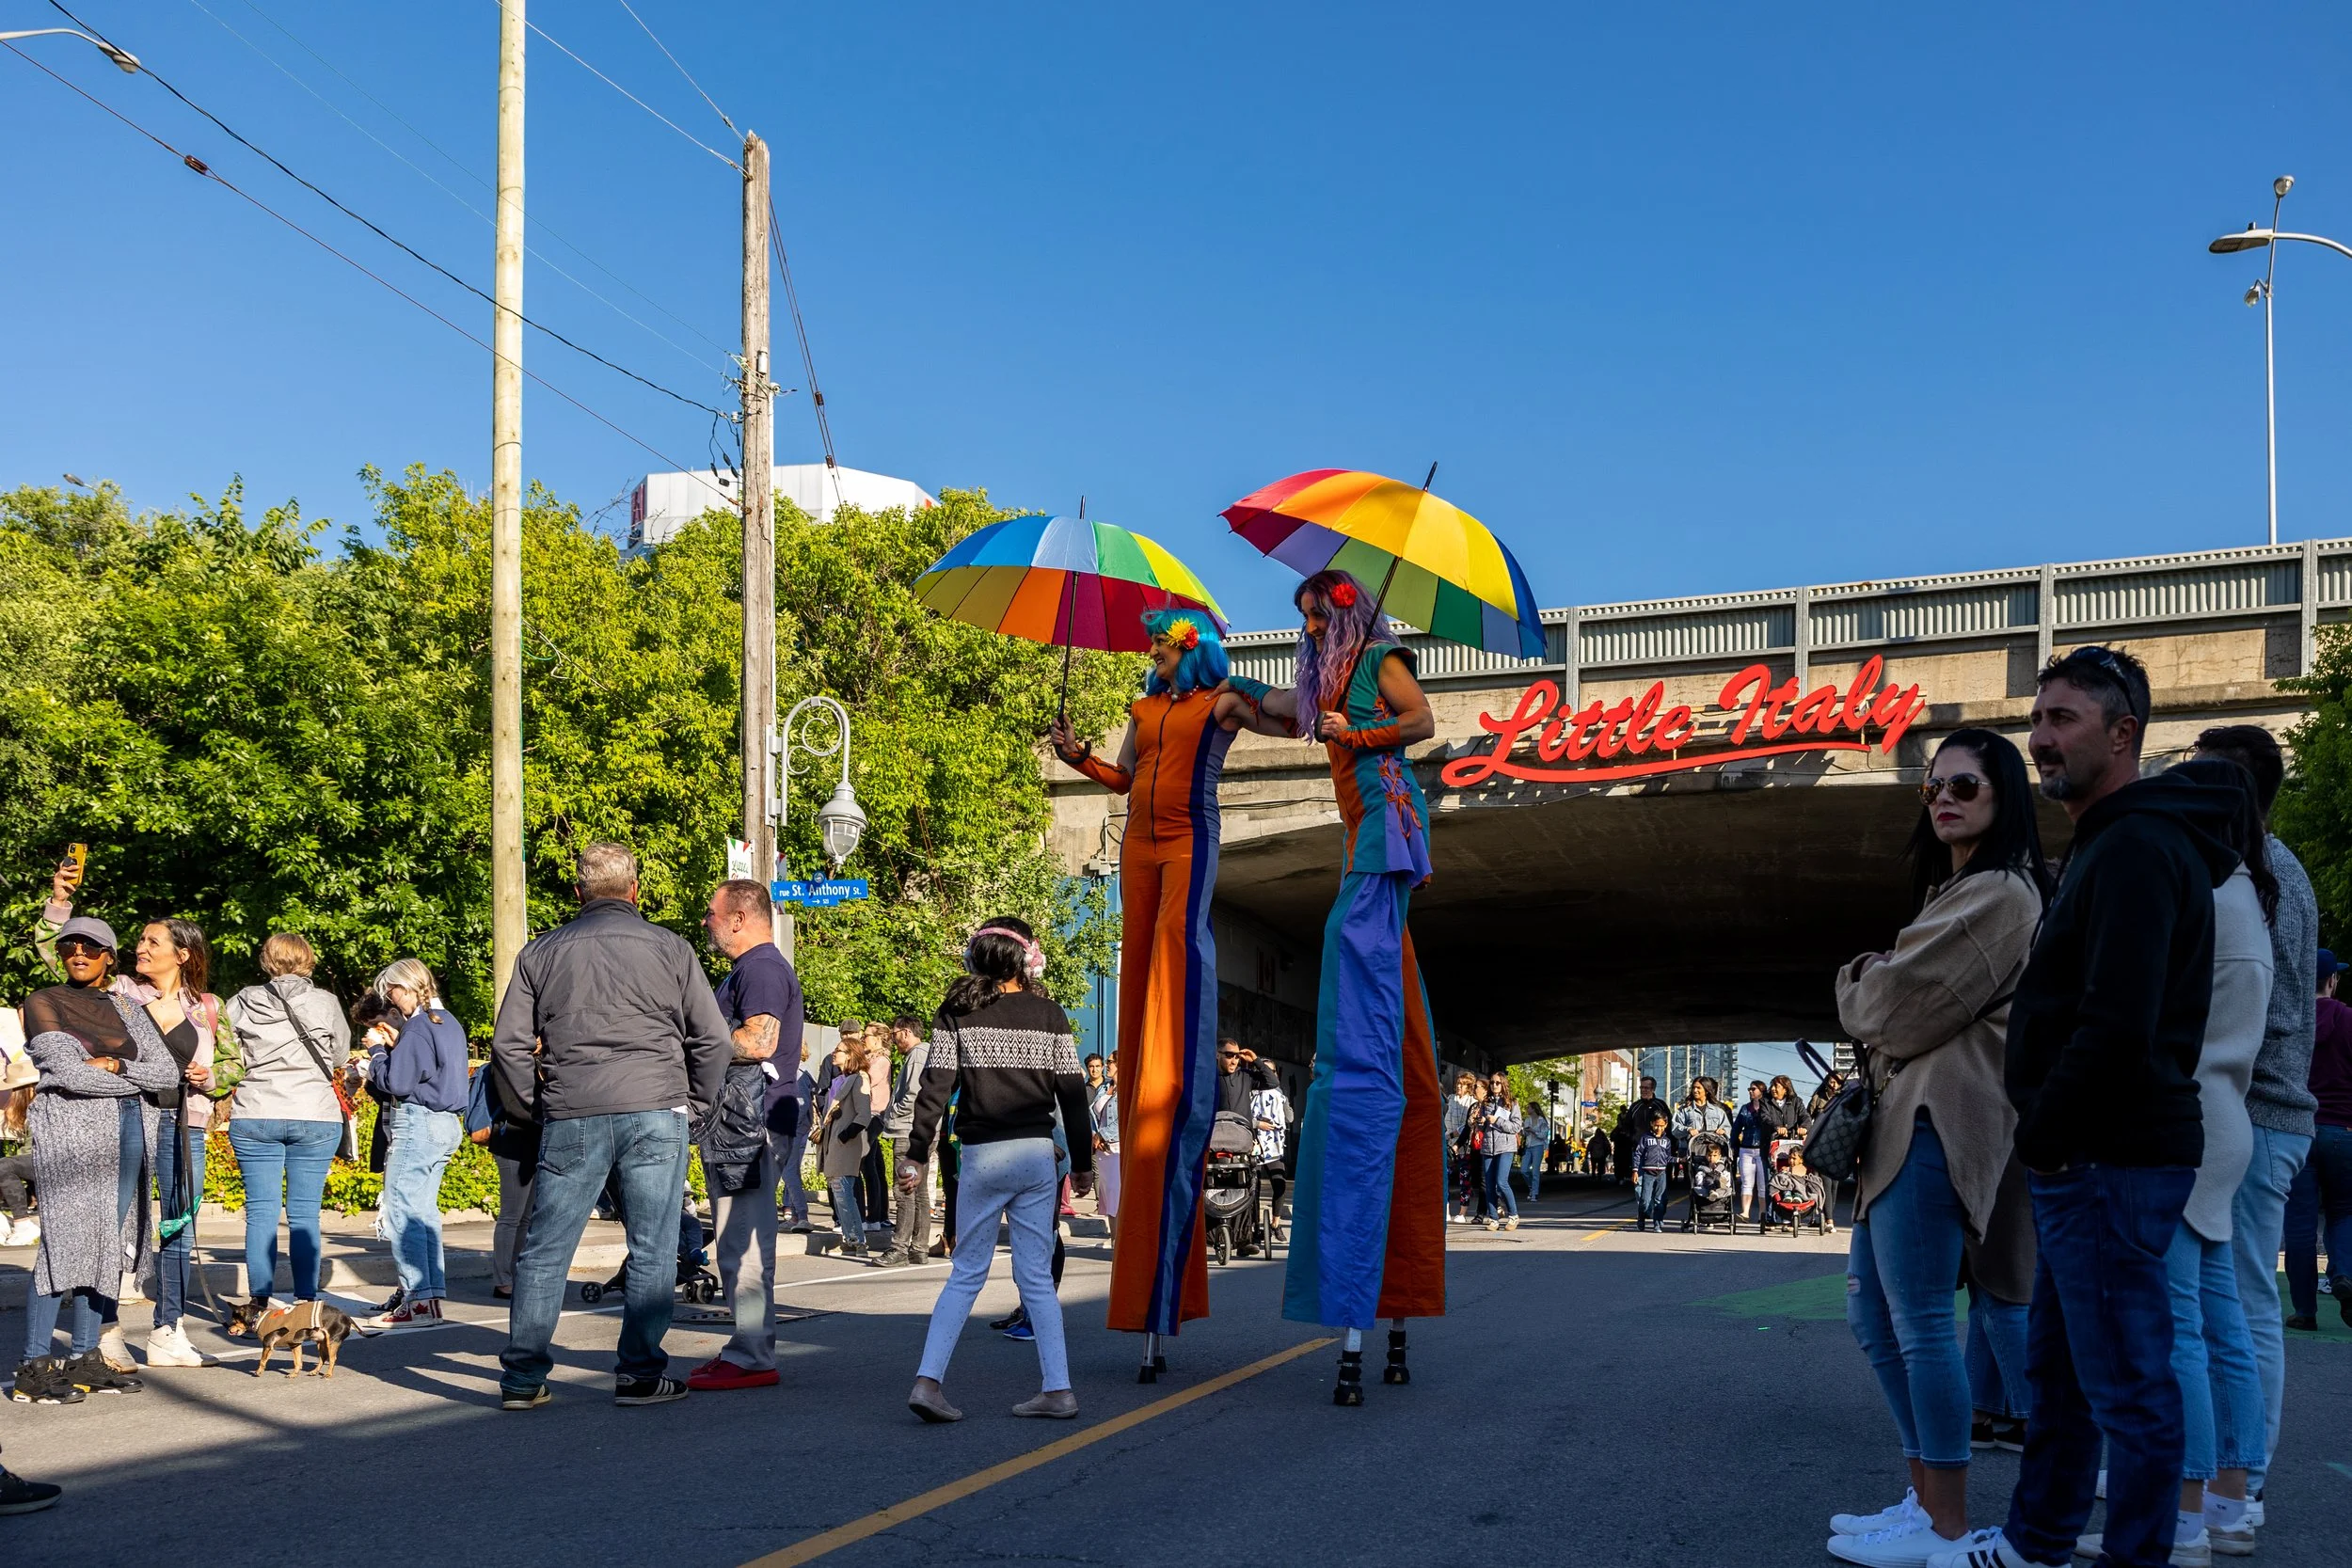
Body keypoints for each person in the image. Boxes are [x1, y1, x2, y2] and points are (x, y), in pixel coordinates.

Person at [1949, 646, 2237, 1568]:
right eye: (2036, 719)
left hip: (2107, 1154)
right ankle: (2036, 1540)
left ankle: (2132, 1555)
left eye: (2063, 719)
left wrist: (2046, 1131)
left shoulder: (2137, 848)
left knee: (2126, 1388)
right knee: (2065, 1379)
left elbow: (2117, 1019)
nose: (2039, 738)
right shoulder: (2116, 842)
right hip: (2092, 1152)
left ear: (2123, 733)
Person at [1827, 729, 2051, 1566]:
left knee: (1920, 1322)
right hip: (1901, 1122)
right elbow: (1902, 1006)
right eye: (1933, 788)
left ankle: (1947, 1522)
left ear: (2005, 795)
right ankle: (1924, 1501)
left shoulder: (2000, 892)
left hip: (1939, 1120)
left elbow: (1896, 1009)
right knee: (1874, 1315)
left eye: (1966, 783)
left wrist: (1859, 976)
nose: (1945, 797)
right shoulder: (1953, 892)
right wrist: (1883, 984)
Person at [1231, 569, 1447, 1395]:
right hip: (1366, 837)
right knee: (1380, 998)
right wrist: (1230, 687)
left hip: (1387, 829)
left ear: (1342, 609)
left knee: (1345, 951)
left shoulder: (1378, 659)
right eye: (1303, 622)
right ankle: (1384, 1312)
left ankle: (1370, 1308)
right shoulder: (1322, 677)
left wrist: (1350, 735)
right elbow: (1286, 716)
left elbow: (1422, 720)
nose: (1309, 629)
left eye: (1316, 616)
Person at [1049, 610, 1253, 1357]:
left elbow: (1281, 715)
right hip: (1139, 840)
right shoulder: (1144, 708)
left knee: (1175, 946)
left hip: (1190, 837)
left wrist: (1314, 689)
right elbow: (1124, 775)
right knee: (1139, 955)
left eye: (1162, 644)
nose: (1153, 653)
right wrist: (1078, 758)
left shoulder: (1220, 700)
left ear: (1187, 648)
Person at [2102, 757, 2271, 1563]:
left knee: (2178, 1333)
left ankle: (2187, 1513)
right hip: (2227, 1117)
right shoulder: (2248, 895)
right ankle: (2229, 1504)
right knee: (2220, 1320)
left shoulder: (2202, 893)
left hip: (2187, 1118)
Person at [491, 843, 731, 1411]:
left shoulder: (540, 953)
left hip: (573, 1108)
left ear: (577, 894)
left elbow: (508, 1046)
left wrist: (532, 1109)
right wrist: (693, 1104)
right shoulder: (672, 949)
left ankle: (523, 1379)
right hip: (655, 1105)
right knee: (652, 1248)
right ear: (636, 891)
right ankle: (640, 1374)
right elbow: (714, 1040)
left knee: (546, 1250)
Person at [2188, 725, 2318, 1530]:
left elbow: (2248, 1007)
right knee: (2230, 1300)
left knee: (2235, 1300)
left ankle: (2241, 1479)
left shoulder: (2263, 876)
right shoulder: (2279, 869)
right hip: (2268, 1110)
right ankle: (2216, 1469)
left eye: (2203, 779)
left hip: (2257, 1108)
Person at [903, 918, 1095, 1422]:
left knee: (966, 1273)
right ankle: (1059, 1390)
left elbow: (935, 1090)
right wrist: (1083, 1166)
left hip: (982, 1155)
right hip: (1036, 1154)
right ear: (1026, 959)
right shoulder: (1050, 1014)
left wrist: (916, 1154)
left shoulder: (958, 1012)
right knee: (1035, 1277)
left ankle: (929, 1382)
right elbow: (1073, 1096)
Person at [12, 917, 175, 1402]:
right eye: (69, 946)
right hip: (72, 1136)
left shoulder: (126, 1004)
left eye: (91, 947)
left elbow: (166, 1071)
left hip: (129, 1130)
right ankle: (34, 1367)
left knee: (110, 1240)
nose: (78, 953)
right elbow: (68, 1073)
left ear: (109, 957)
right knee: (63, 1246)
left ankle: (86, 1357)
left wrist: (119, 1065)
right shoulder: (44, 1000)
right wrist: (136, 1079)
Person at [691, 879, 803, 1388]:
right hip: (744, 1121)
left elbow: (759, 1041)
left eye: (711, 914)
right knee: (738, 1243)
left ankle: (753, 1354)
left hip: (749, 1125)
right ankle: (748, 1347)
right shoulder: (753, 968)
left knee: (743, 1245)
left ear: (739, 918)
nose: (705, 922)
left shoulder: (759, 967)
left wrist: (688, 1044)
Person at [124, 918, 236, 1369]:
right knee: (115, 1224)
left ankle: (167, 1331)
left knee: (177, 1225)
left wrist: (209, 1077)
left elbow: (233, 1065)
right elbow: (61, 955)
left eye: (153, 941)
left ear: (182, 954)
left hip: (185, 1126)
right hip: (128, 1120)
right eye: (141, 940)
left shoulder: (207, 1007)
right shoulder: (122, 997)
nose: (142, 947)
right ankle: (102, 1334)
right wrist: (60, 901)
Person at [223, 933, 351, 1325]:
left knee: (260, 1211)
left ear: (266, 961)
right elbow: (340, 1055)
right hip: (314, 1112)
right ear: (309, 961)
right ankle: (306, 1302)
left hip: (256, 1110)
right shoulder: (326, 1002)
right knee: (304, 1215)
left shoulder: (241, 1001)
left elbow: (229, 1053)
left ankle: (259, 1301)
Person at [358, 959, 468, 1333]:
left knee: (402, 1211)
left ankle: (417, 1300)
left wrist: (376, 1053)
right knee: (424, 1212)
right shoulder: (448, 1022)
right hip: (446, 1123)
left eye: (390, 991)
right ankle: (426, 1298)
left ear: (403, 988)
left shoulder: (419, 1026)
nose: (390, 1000)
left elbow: (399, 1081)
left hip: (418, 1121)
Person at [2288, 950, 2352, 1334]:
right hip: (2343, 1132)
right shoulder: (2348, 1020)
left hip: (2297, 1129)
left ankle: (2304, 1311)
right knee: (2346, 1210)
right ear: (2331, 981)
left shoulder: (2290, 1022)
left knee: (2299, 1223)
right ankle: (2343, 1272)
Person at [879, 1014, 934, 1268]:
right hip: (921, 1130)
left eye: (895, 1033)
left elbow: (913, 1094)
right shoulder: (926, 1053)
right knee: (919, 1191)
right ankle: (918, 1248)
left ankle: (899, 1248)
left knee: (904, 1191)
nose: (893, 1038)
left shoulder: (918, 1055)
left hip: (908, 1132)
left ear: (906, 1032)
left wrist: (892, 1112)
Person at [818, 1036, 876, 1258]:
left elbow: (864, 1114)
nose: (834, 1053)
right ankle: (851, 1238)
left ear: (851, 1055)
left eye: (839, 1050)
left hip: (846, 1144)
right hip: (834, 1143)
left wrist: (844, 1135)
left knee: (844, 1192)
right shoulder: (839, 1080)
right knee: (839, 1191)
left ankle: (858, 1241)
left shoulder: (859, 1078)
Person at [775, 1037, 817, 1234]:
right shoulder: (802, 1075)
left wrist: (787, 1127)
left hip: (794, 1129)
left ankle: (801, 1215)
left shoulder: (797, 1075)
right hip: (799, 1128)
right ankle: (794, 1215)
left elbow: (801, 1104)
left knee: (789, 1172)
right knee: (791, 1171)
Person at [1475, 1087, 1520, 1232]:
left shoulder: (1511, 1103)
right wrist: (1480, 1122)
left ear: (1503, 1085)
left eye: (1497, 1083)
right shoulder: (1486, 1103)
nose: (1494, 1085)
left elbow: (1516, 1127)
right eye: (1492, 1083)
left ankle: (1513, 1215)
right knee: (1489, 1184)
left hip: (1506, 1147)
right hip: (1489, 1147)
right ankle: (1494, 1218)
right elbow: (1482, 1128)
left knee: (1501, 1182)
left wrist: (1497, 1120)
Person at [1086, 1053, 1120, 1221]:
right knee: (1108, 1200)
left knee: (1116, 1198)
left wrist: (1103, 1135)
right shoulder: (1104, 1087)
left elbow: (1123, 1120)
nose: (1106, 1066)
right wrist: (1095, 1135)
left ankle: (1118, 1243)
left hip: (1115, 1148)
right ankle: (1115, 1242)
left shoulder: (1126, 1089)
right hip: (1101, 1149)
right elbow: (1093, 1115)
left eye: (1110, 1062)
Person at [1733, 1080, 1773, 1221]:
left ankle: (1763, 1214)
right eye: (1749, 1089)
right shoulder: (1745, 1108)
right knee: (1746, 1182)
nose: (1750, 1091)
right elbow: (1736, 1128)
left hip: (1763, 1150)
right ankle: (1745, 1212)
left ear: (1761, 1091)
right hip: (1746, 1148)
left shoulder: (1769, 1107)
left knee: (1763, 1184)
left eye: (1753, 1089)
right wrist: (1734, 1145)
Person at [1443, 1073, 1479, 1222]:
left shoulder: (1473, 1102)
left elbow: (1468, 1124)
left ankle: (1462, 1213)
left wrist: (1452, 1135)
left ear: (1469, 1087)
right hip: (1449, 1144)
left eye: (1463, 1084)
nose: (1459, 1086)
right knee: (1444, 1177)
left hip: (1466, 1146)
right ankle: (1445, 1210)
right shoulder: (1450, 1099)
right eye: (1458, 1083)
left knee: (1464, 1180)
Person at [1631, 1113, 1672, 1231]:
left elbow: (1668, 1157)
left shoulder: (1667, 1141)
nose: (1659, 1128)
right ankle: (1641, 1218)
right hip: (1648, 1173)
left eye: (1661, 1126)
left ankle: (1657, 1224)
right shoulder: (1645, 1138)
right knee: (1645, 1200)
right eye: (1656, 1125)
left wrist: (1680, 1159)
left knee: (1660, 1200)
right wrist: (1635, 1171)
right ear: (1651, 1124)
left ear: (1666, 1125)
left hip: (1662, 1174)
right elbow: (1638, 1155)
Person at [1520, 1101, 1550, 1200]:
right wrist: (1523, 1131)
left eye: (1528, 1107)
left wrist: (1533, 1131)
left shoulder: (1542, 1121)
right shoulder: (1527, 1120)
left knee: (1535, 1171)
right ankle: (1531, 1187)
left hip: (1538, 1146)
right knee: (1524, 1170)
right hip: (1528, 1146)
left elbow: (1543, 1135)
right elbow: (1524, 1134)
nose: (1527, 1109)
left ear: (1533, 1109)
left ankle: (1534, 1193)